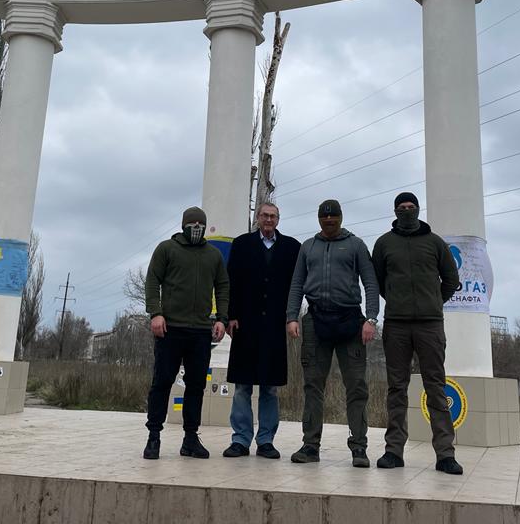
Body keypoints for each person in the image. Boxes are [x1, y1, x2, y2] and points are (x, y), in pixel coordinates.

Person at [371, 192, 463, 475]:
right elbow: (378, 282)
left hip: (430, 325)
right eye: (402, 208)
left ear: (418, 210)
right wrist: (397, 301)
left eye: (411, 207)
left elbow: (451, 280)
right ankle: (394, 450)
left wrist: (433, 303)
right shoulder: (384, 243)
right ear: (395, 211)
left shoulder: (435, 243)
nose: (407, 211)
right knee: (396, 389)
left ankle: (445, 454)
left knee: (435, 387)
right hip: (397, 325)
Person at [285, 199, 379, 468]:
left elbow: (370, 282)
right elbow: (296, 285)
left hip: (350, 322)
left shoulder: (356, 245)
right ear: (318, 219)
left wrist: (371, 319)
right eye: (324, 219)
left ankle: (359, 448)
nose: (329, 222)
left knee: (357, 387)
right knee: (313, 385)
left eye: (333, 218)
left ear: (340, 218)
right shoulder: (308, 247)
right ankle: (310, 445)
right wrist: (292, 317)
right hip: (316, 321)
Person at [143, 206, 228, 460]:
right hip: (170, 329)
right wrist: (155, 313)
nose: (196, 229)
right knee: (162, 382)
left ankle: (190, 438)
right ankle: (154, 436)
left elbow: (223, 286)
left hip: (201, 331)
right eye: (192, 224)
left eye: (200, 224)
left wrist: (221, 319)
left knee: (196, 386)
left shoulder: (213, 255)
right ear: (183, 225)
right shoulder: (166, 249)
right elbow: (152, 280)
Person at [221, 201, 300, 459]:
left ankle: (266, 440)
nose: (268, 220)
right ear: (257, 218)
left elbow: (297, 286)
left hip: (275, 326)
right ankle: (241, 440)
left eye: (273, 216)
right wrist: (230, 315)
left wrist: (292, 317)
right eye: (264, 215)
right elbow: (230, 281)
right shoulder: (242, 244)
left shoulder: (291, 247)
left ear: (278, 219)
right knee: (243, 385)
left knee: (270, 386)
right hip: (246, 324)